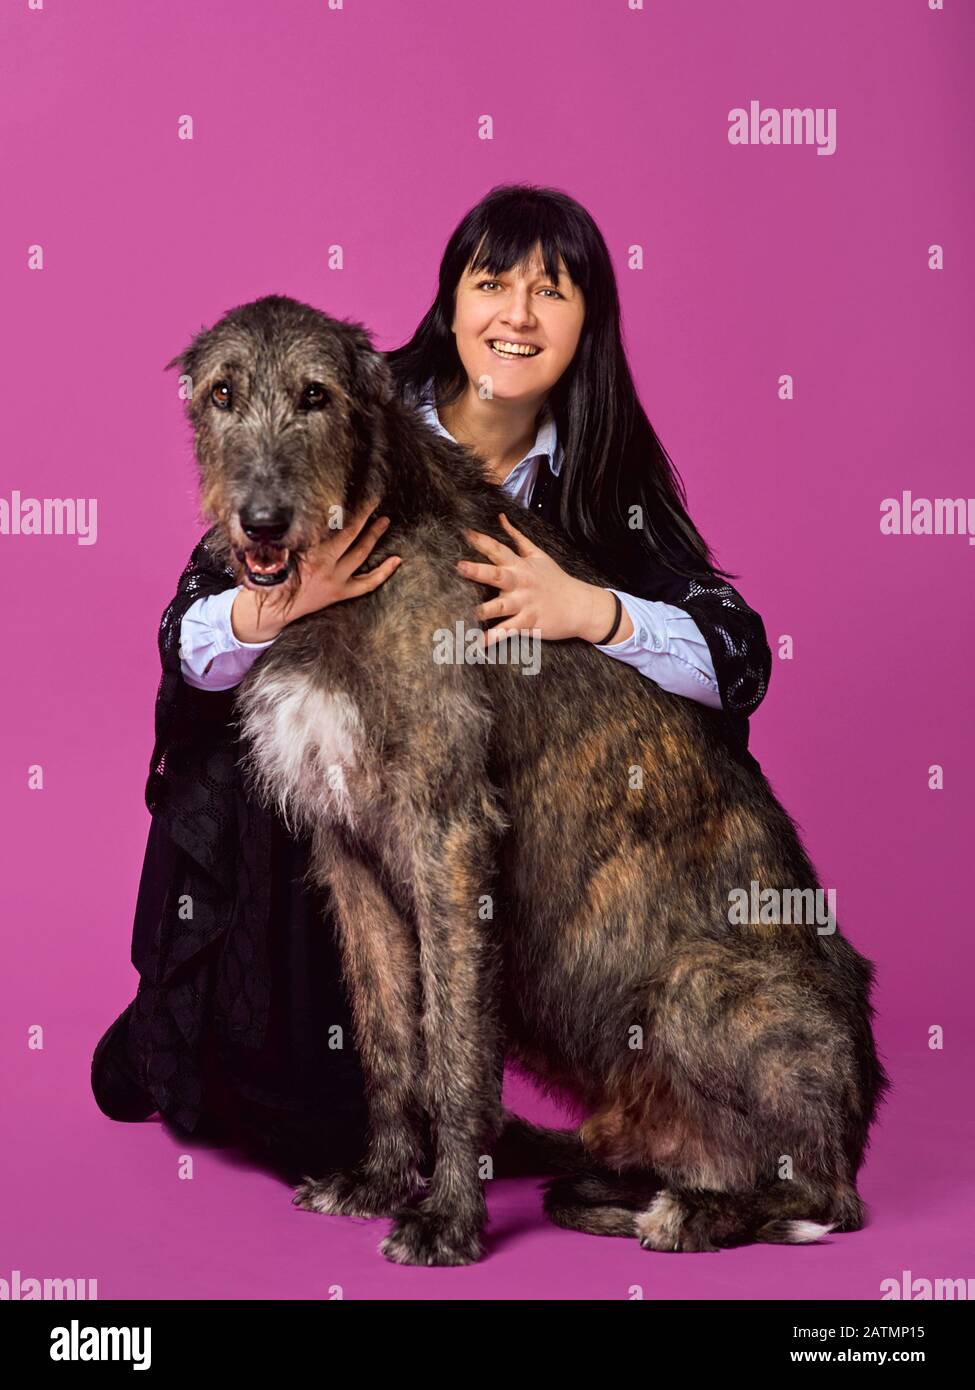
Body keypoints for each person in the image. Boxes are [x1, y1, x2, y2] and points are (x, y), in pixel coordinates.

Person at [91, 183, 772, 1182]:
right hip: (313, 820)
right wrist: (277, 602)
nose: (518, 315)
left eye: (555, 292)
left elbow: (738, 658)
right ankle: (191, 1014)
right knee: (275, 797)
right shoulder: (357, 397)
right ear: (450, 301)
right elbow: (182, 636)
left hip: (466, 809)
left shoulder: (603, 477)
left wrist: (597, 609)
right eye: (491, 282)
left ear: (591, 325)